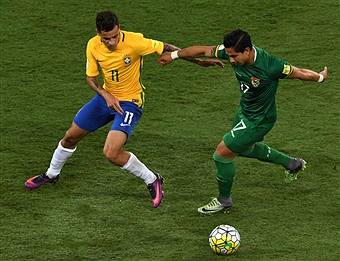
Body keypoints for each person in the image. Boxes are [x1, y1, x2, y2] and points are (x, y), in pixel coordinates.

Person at [24, 11, 223, 208]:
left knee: (111, 152)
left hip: (130, 103)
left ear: (119, 29)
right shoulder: (93, 45)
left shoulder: (136, 41)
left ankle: (153, 179)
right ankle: (52, 174)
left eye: (114, 37)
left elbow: (168, 48)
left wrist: (199, 62)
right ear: (97, 33)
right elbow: (91, 78)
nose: (111, 42)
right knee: (70, 137)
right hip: (105, 99)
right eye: (106, 38)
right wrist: (106, 94)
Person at [158, 29, 328, 214]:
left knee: (221, 154)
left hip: (260, 120)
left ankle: (224, 200)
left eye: (234, 56)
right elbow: (202, 50)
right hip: (245, 113)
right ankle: (292, 163)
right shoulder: (232, 51)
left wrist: (320, 77)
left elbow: (299, 72)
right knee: (244, 149)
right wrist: (173, 55)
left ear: (247, 50)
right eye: (228, 55)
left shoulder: (271, 65)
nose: (230, 60)